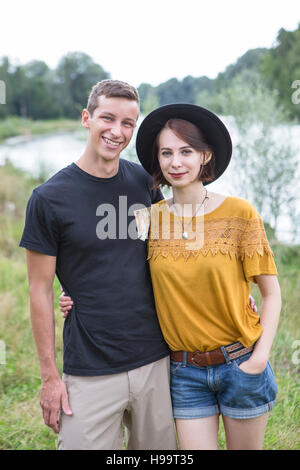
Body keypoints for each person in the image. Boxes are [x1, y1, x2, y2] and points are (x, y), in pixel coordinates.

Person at [19, 80, 177, 450]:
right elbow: (39, 290)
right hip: (90, 368)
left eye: (127, 124)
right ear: (86, 118)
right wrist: (49, 378)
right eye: (108, 118)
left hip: (155, 358)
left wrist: (233, 295)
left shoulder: (143, 181)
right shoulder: (48, 199)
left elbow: (168, 256)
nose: (117, 132)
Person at [132, 104, 281, 450]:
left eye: (186, 151)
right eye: (166, 153)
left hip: (240, 363)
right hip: (184, 371)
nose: (176, 162)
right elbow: (118, 274)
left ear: (205, 155)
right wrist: (74, 293)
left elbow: (271, 294)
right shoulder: (147, 219)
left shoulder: (240, 214)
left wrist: (259, 358)